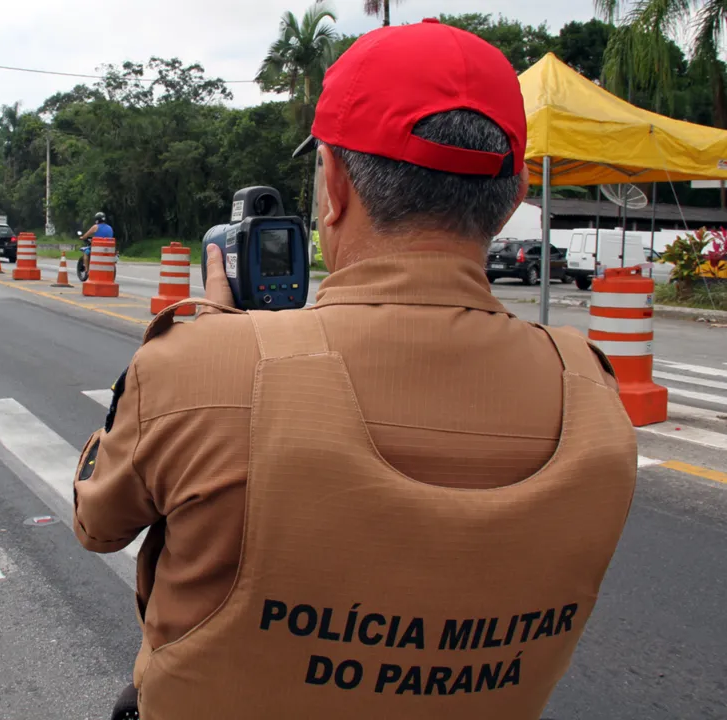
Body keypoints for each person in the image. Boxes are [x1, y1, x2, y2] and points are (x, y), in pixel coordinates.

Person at [73, 19, 637, 720]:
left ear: (333, 187)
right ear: (513, 198)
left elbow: (98, 523)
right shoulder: (592, 391)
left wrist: (206, 344)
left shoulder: (201, 364)